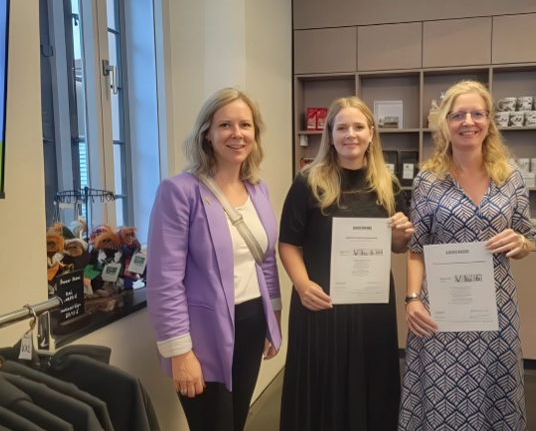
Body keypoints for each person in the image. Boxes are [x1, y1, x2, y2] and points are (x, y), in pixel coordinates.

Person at [399, 80, 536, 430]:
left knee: (497, 396)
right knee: (443, 397)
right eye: (458, 115)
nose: (468, 122)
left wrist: (521, 244)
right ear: (445, 122)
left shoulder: (511, 177)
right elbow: (417, 247)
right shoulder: (428, 180)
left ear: (489, 121)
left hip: (497, 309)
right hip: (442, 310)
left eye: (478, 114)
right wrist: (412, 299)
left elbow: (528, 238)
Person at [146, 88, 282, 431]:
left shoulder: (258, 189)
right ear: (207, 132)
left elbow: (265, 259)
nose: (237, 133)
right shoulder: (180, 191)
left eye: (245, 125)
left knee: (236, 422)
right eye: (225, 125)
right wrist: (180, 352)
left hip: (251, 322)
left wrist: (272, 319)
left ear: (255, 133)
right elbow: (164, 280)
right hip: (202, 335)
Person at [278, 96, 414, 431]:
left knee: (371, 381)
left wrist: (401, 235)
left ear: (371, 133)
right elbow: (288, 243)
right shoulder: (308, 182)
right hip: (321, 303)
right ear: (330, 134)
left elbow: (398, 247)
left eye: (358, 127)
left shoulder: (388, 185)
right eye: (342, 128)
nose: (350, 134)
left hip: (372, 305)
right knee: (322, 385)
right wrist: (302, 285)